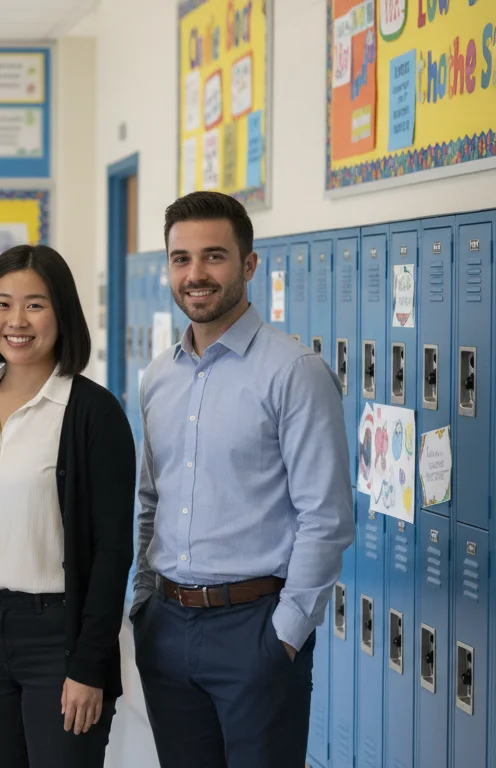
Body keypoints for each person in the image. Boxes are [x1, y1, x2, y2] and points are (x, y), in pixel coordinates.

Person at [131, 191, 354, 768]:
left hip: (256, 629)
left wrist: (285, 633)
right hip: (168, 625)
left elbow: (326, 517)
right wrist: (141, 604)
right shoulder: (158, 377)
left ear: (249, 265)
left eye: (214, 257)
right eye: (181, 259)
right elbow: (150, 501)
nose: (196, 274)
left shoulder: (294, 372)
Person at [0, 245, 135, 768]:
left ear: (63, 313)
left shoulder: (92, 413)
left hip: (56, 637)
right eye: (2, 304)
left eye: (35, 305)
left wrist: (89, 665)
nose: (16, 321)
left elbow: (113, 550)